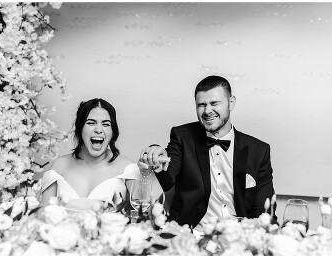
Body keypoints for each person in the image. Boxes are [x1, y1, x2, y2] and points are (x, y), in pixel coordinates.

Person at [140, 75, 276, 233]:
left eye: (214, 103)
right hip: (192, 234)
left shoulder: (259, 150)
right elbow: (168, 175)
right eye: (201, 105)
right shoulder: (182, 136)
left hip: (238, 238)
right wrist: (156, 157)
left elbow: (265, 210)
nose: (207, 111)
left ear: (231, 103)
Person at [39, 98, 162, 211]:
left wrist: (147, 171)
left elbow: (149, 211)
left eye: (106, 124)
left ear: (113, 132)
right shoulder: (59, 165)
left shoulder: (127, 167)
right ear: (80, 128)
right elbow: (43, 213)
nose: (98, 130)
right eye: (91, 123)